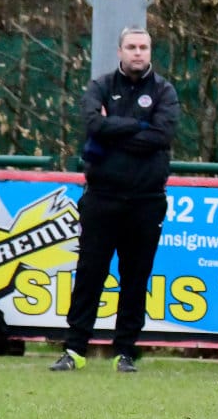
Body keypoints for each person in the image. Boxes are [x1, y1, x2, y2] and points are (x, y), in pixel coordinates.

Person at [50, 26, 180, 373]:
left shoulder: (164, 90)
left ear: (150, 52)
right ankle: (74, 349)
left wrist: (115, 131)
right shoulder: (100, 86)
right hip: (102, 198)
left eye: (143, 47)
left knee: (135, 278)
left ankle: (125, 352)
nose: (138, 53)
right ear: (120, 51)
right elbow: (93, 125)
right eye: (131, 47)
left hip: (146, 200)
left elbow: (162, 135)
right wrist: (140, 127)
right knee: (89, 274)